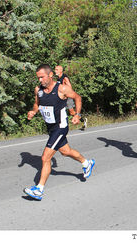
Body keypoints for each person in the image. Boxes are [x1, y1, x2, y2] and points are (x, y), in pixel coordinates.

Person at [24, 64, 95, 200]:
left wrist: (77, 115)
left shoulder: (61, 89)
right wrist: (33, 111)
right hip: (51, 128)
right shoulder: (38, 90)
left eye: (42, 77)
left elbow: (77, 97)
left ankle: (39, 189)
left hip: (61, 127)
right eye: (38, 78)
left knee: (45, 158)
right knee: (65, 151)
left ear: (50, 75)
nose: (40, 80)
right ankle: (87, 163)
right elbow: (37, 103)